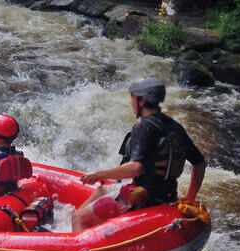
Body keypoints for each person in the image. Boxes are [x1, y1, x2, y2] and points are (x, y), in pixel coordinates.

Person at [72, 78, 206, 232]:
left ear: (142, 100)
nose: (131, 103)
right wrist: (190, 197)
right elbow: (199, 163)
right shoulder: (175, 127)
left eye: (133, 98)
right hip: (168, 197)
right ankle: (90, 227)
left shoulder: (144, 127)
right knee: (101, 190)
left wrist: (98, 174)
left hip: (142, 198)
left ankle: (79, 242)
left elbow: (136, 168)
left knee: (78, 218)